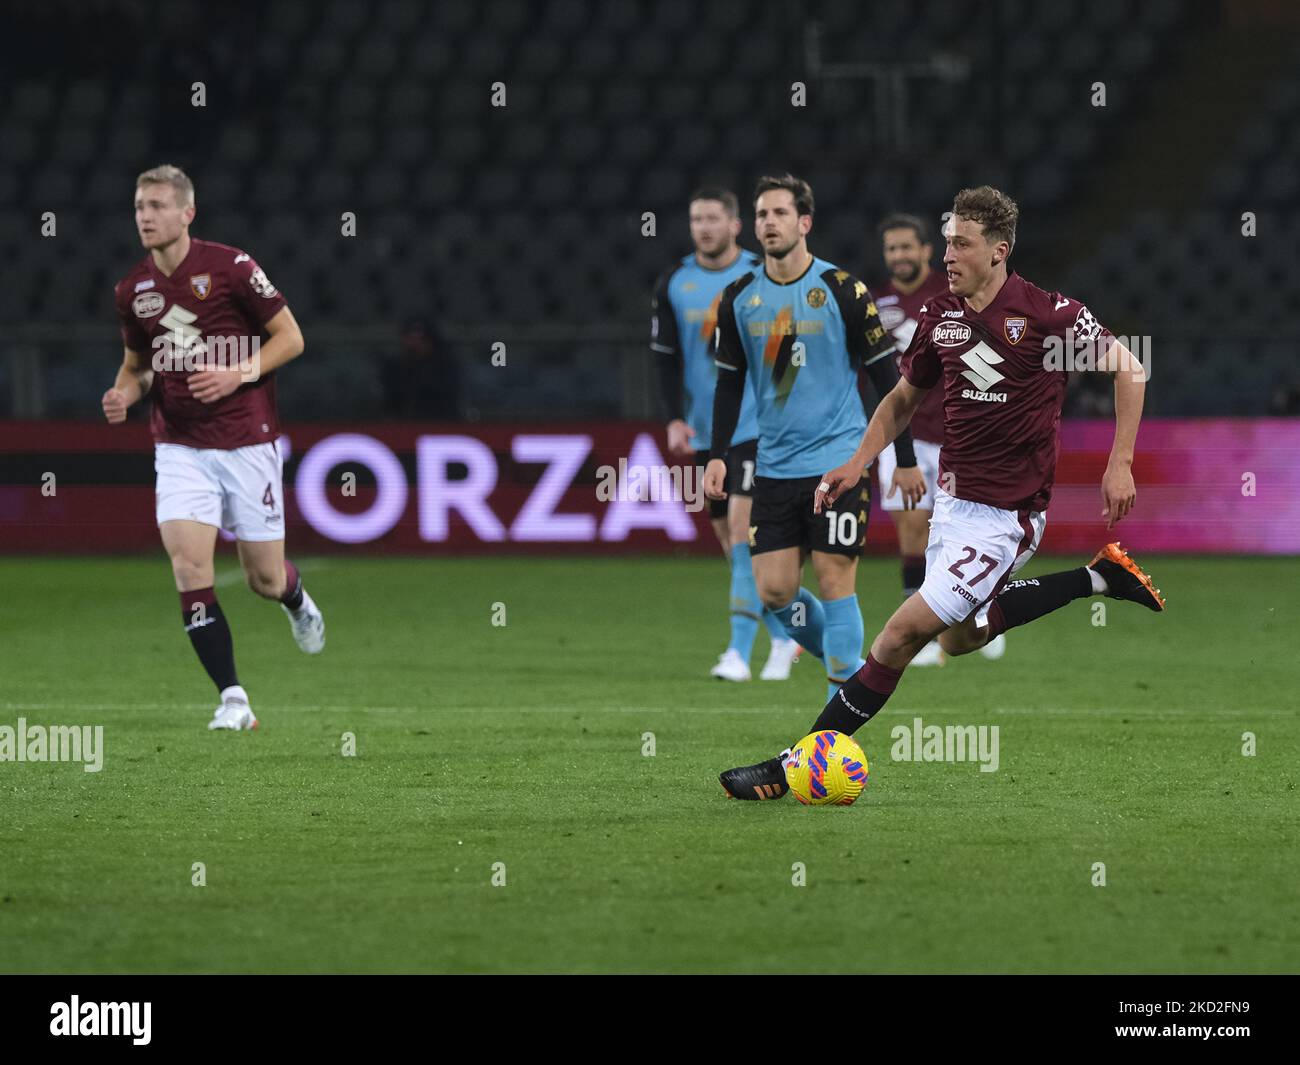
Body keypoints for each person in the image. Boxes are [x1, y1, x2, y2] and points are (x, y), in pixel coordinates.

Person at [719, 185, 1164, 800]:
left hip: (1009, 517)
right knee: (960, 638)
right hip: (953, 506)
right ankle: (1098, 580)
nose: (948, 254)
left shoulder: (1047, 316)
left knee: (898, 636)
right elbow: (902, 399)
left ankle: (791, 764)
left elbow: (1130, 368)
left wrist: (1120, 464)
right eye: (947, 240)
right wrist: (857, 462)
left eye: (961, 243)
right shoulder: (939, 316)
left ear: (999, 250)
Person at [103, 164, 324, 732]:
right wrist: (123, 393)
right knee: (189, 568)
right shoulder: (134, 290)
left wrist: (237, 373)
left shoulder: (232, 268)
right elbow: (139, 368)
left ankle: (296, 600)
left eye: (156, 206)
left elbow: (292, 338)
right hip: (179, 446)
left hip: (247, 441)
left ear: (186, 214)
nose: (145, 217)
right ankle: (233, 698)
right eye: (138, 206)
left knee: (263, 581)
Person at [703, 175, 925, 704]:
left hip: (838, 462)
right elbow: (729, 382)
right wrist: (717, 455)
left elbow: (886, 381)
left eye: (779, 213)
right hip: (774, 465)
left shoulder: (844, 290)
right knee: (775, 591)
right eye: (761, 215)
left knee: (834, 581)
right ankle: (852, 669)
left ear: (804, 222)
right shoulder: (739, 297)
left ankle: (837, 717)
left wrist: (905, 459)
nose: (768, 223)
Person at [652, 187, 799, 682]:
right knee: (731, 542)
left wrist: (785, 407)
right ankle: (786, 636)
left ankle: (737, 653)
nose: (704, 228)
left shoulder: (762, 273)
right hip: (705, 431)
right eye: (696, 219)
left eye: (714, 219)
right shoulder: (674, 281)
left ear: (736, 225)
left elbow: (786, 346)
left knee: (741, 532)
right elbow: (665, 358)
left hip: (757, 425)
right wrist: (673, 417)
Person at [871, 212, 969, 666]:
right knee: (912, 530)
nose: (900, 255)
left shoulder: (950, 293)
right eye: (892, 248)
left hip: (955, 433)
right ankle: (925, 638)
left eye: (907, 247)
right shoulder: (875, 302)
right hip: (901, 436)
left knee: (957, 535)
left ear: (927, 250)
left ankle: (973, 615)